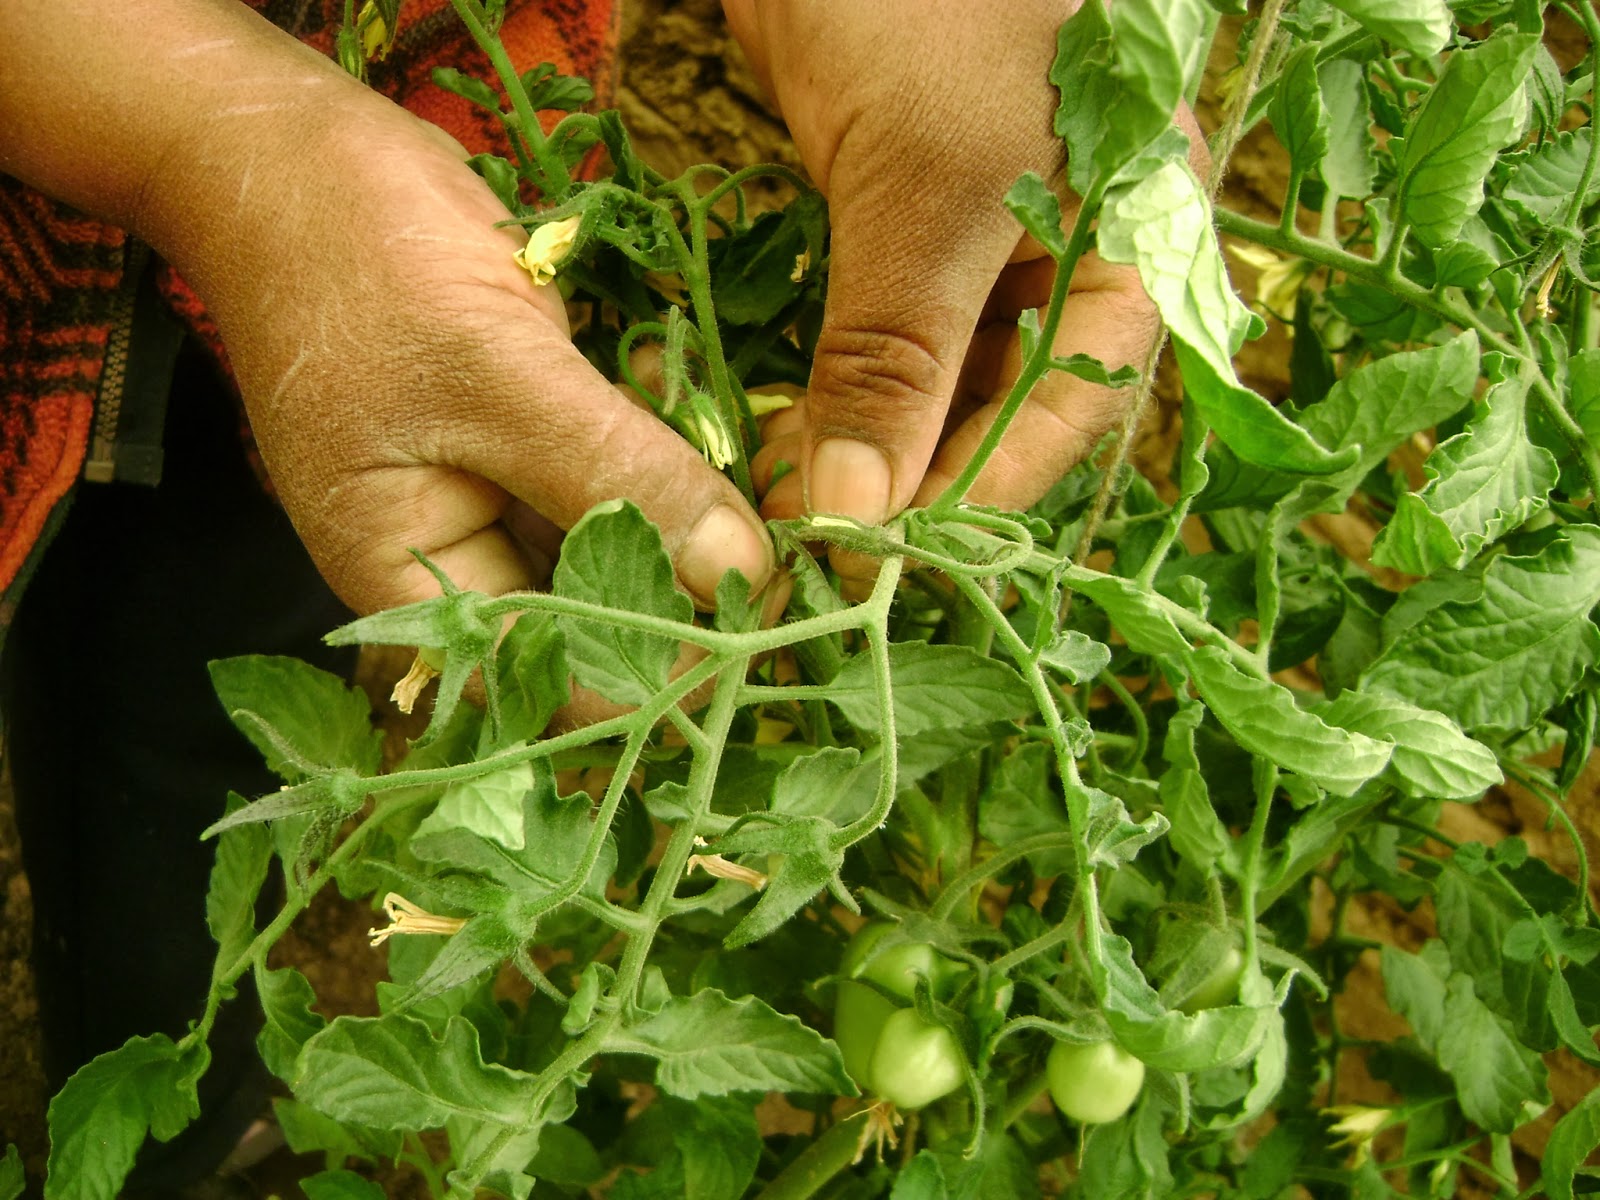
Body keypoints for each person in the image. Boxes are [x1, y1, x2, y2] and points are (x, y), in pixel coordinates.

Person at [0, 0, 1163, 1191]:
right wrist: (202, 136)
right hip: (54, 236)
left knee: (207, 685)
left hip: (414, 210)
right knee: (111, 702)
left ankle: (194, 1131)